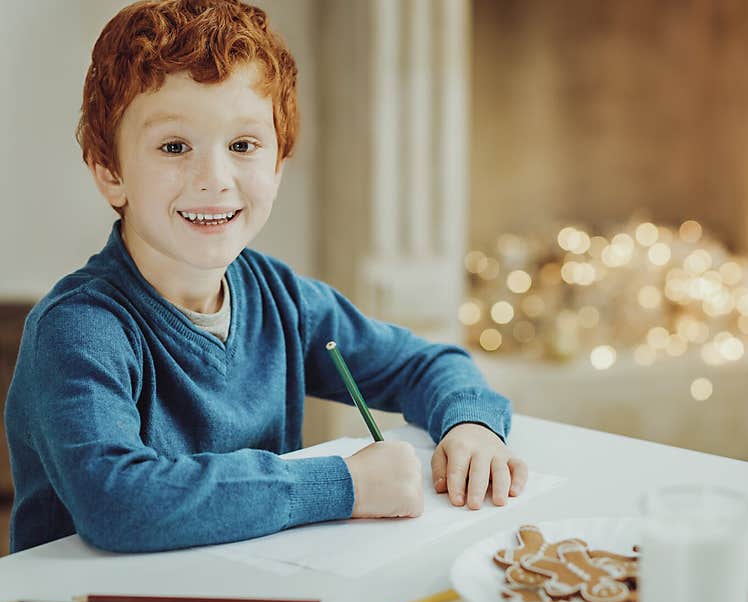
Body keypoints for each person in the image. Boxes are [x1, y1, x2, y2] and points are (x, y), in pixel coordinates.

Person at [4, 0, 527, 554]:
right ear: (111, 172)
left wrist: (471, 425)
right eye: (175, 147)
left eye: (243, 146)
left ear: (278, 164)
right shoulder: (78, 331)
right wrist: (344, 485)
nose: (215, 179)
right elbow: (117, 502)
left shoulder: (281, 300)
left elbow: (427, 365)